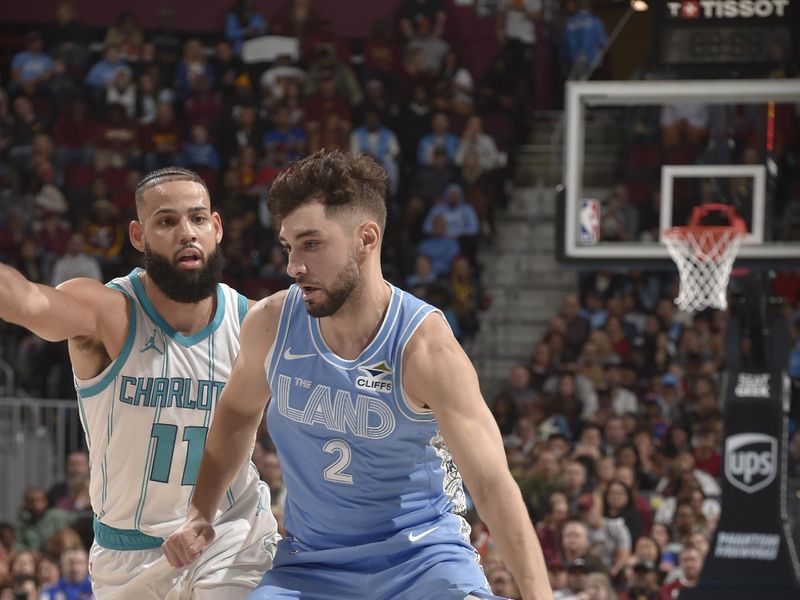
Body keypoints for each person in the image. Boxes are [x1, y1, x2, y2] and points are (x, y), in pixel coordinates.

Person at [163, 150, 553, 600]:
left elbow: (490, 484)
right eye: (289, 248)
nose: (293, 267)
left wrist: (540, 595)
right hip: (311, 565)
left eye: (311, 244)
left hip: (422, 562)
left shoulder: (424, 347)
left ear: (366, 239)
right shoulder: (271, 324)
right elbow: (234, 413)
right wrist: (200, 511)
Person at [0, 167, 278, 598]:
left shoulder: (253, 322)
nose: (187, 232)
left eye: (198, 218)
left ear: (217, 227)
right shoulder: (108, 312)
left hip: (230, 532)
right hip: (127, 553)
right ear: (138, 235)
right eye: (167, 221)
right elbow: (28, 301)